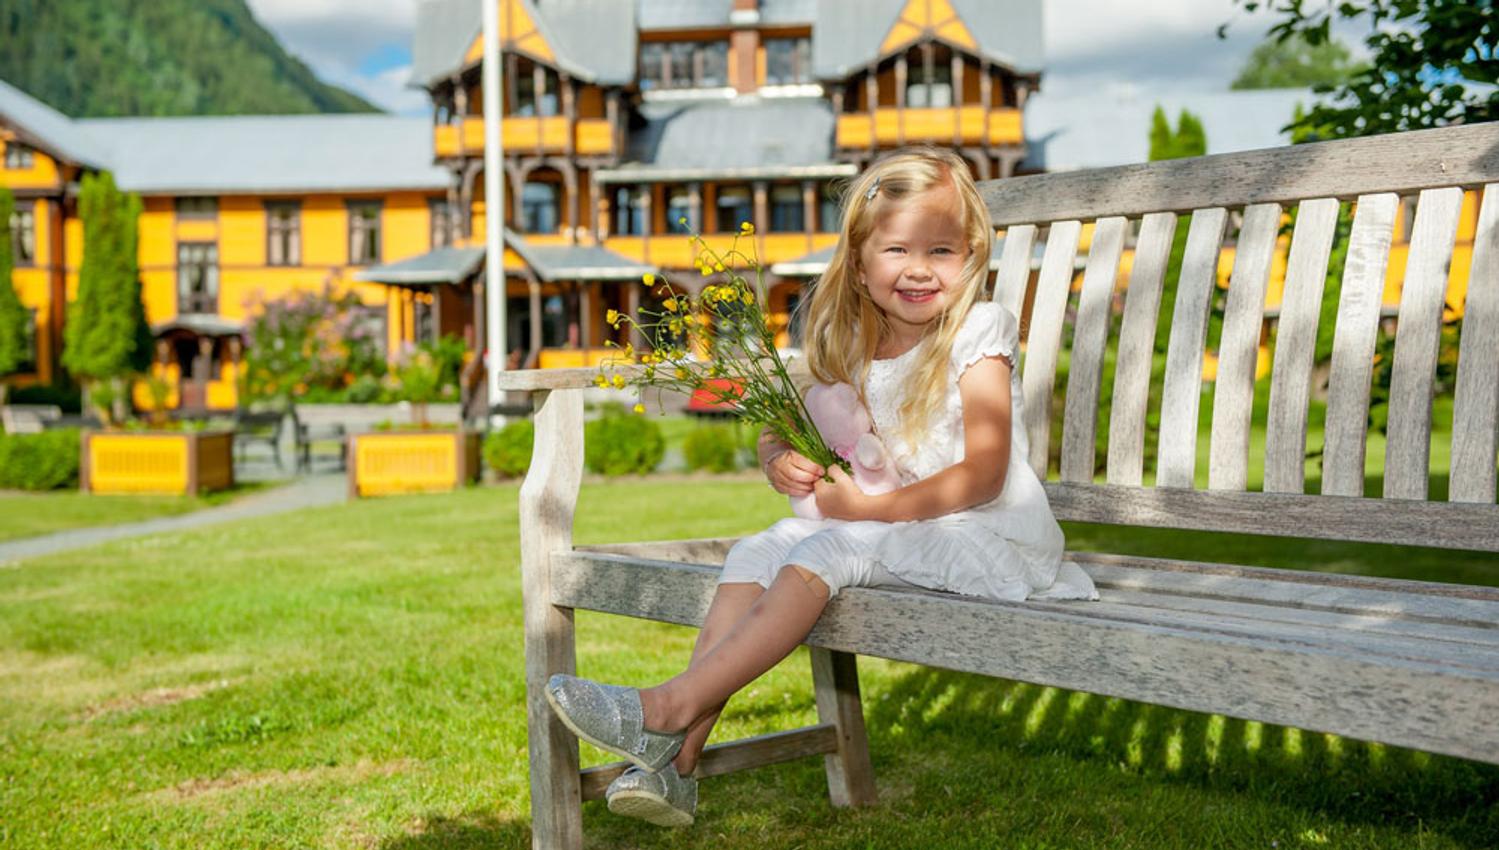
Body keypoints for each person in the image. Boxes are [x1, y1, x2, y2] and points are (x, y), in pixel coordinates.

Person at [543, 147, 1097, 828]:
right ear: (859, 265)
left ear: (971, 256)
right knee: (758, 549)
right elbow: (800, 430)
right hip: (904, 524)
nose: (919, 268)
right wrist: (778, 456)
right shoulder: (856, 347)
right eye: (897, 249)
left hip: (986, 534)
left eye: (941, 250)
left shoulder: (978, 331)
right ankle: (678, 762)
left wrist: (870, 508)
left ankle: (662, 708)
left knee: (827, 549)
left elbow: (983, 474)